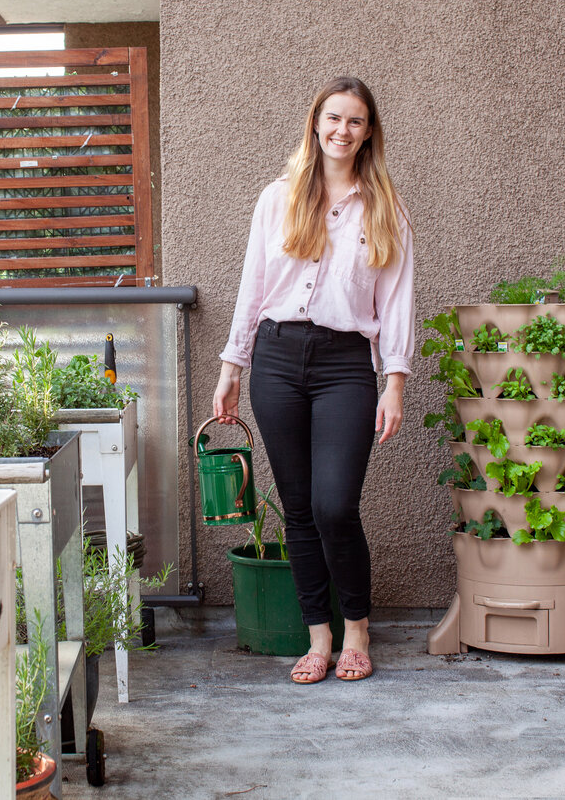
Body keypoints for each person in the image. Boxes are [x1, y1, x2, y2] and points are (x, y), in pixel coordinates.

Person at [212, 76, 414, 684]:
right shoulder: (277, 199)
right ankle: (318, 636)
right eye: (332, 118)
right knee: (298, 507)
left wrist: (395, 380)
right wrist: (231, 368)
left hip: (345, 364)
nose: (341, 130)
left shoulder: (386, 209)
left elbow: (398, 300)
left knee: (334, 505)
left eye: (354, 121)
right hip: (275, 359)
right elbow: (252, 289)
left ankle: (357, 628)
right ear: (315, 122)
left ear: (368, 131)